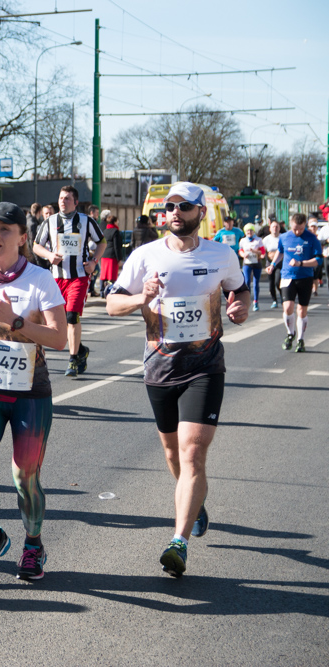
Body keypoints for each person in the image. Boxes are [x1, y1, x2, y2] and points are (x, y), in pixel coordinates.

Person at [106, 182, 250, 578]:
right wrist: (142, 298)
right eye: (169, 207)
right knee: (173, 455)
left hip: (205, 366)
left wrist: (241, 309)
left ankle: (178, 541)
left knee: (192, 453)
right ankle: (196, 500)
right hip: (160, 369)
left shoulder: (221, 254)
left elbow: (241, 292)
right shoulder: (144, 255)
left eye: (184, 207)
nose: (174, 213)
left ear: (200, 213)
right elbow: (113, 304)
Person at [0, 202, 66, 581]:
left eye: (5, 230)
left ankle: (33, 544)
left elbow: (59, 339)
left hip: (30, 393)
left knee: (25, 477)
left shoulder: (41, 281)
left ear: (23, 237)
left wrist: (16, 321)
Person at [33, 185, 106, 378]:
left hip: (79, 276)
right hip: (56, 277)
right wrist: (49, 255)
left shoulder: (86, 221)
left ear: (75, 202)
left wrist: (94, 262)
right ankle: (80, 350)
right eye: (60, 198)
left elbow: (102, 242)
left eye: (67, 198)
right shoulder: (50, 222)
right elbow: (36, 246)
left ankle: (73, 359)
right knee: (58, 320)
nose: (62, 201)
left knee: (72, 315)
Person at [267, 212, 322, 353]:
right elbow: (280, 252)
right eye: (295, 228)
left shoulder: (312, 238)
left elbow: (318, 260)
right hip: (287, 276)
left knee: (301, 310)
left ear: (305, 225)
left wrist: (301, 263)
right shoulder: (284, 237)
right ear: (291, 224)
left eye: (301, 229)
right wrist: (273, 264)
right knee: (287, 307)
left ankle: (300, 340)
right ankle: (290, 333)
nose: (297, 231)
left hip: (305, 278)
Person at [239, 223, 264, 311]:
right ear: (245, 232)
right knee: (247, 282)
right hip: (247, 263)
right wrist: (243, 254)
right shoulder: (242, 241)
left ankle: (256, 302)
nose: (249, 232)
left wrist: (255, 251)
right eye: (247, 231)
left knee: (256, 283)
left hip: (256, 263)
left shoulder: (258, 240)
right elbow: (240, 250)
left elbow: (263, 252)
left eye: (251, 230)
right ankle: (247, 300)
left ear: (253, 231)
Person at [99, 212, 123, 296]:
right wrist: (119, 258)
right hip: (112, 256)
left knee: (103, 274)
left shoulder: (105, 230)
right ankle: (111, 291)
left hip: (104, 255)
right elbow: (116, 246)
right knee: (111, 275)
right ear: (114, 222)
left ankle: (101, 291)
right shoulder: (115, 231)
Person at [262, 216, 283, 308]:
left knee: (278, 282)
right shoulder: (266, 239)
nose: (275, 229)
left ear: (279, 228)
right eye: (273, 227)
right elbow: (263, 252)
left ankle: (283, 297)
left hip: (280, 264)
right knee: (271, 285)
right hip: (269, 263)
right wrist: (266, 263)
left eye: (277, 227)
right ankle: (274, 300)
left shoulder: (282, 237)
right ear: (270, 229)